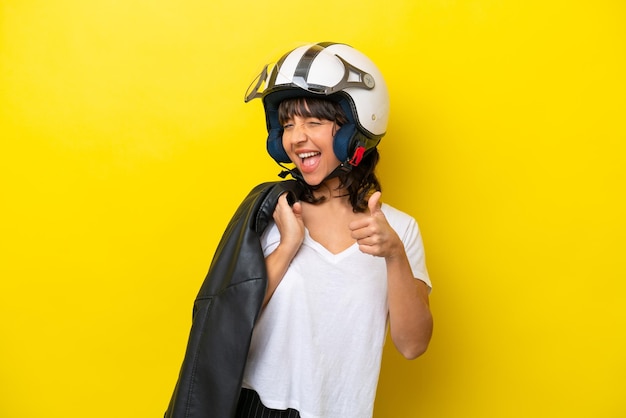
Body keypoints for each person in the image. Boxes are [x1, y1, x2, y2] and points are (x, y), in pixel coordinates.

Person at [237, 42, 433, 418]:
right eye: (289, 124)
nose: (296, 138)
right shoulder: (273, 214)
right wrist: (286, 246)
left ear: (356, 130)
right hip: (257, 407)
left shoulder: (399, 230)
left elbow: (413, 345)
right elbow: (228, 324)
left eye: (314, 122)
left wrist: (394, 256)